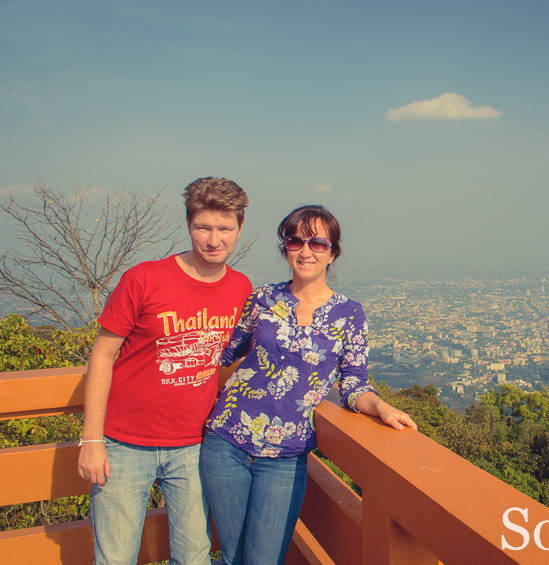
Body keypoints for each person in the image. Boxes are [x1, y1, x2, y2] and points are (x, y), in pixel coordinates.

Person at [200, 204, 416, 565]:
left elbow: (353, 384)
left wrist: (382, 408)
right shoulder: (264, 297)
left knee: (263, 560)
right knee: (232, 557)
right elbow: (222, 354)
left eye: (317, 243)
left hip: (285, 453)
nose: (305, 250)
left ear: (332, 253)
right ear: (285, 247)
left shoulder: (349, 314)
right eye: (295, 240)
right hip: (226, 440)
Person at [77, 177, 253, 565]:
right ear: (188, 225)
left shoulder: (241, 288)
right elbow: (102, 356)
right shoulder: (143, 279)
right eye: (203, 227)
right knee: (115, 558)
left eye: (225, 229)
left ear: (239, 229)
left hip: (195, 444)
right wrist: (91, 440)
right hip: (122, 444)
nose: (213, 239)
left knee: (193, 557)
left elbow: (241, 361)